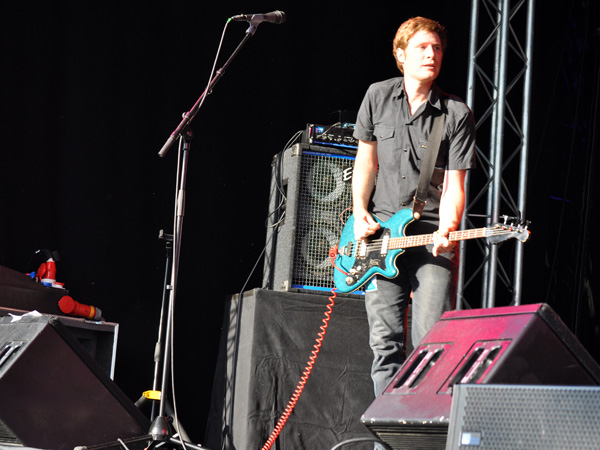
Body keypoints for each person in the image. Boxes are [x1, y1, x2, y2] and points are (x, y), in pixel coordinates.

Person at [352, 16, 476, 403]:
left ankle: (425, 425)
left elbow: (455, 185)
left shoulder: (456, 113)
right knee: (385, 344)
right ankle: (389, 427)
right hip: (381, 238)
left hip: (431, 238)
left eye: (437, 48)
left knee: (431, 344)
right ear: (401, 55)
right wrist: (359, 211)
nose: (431, 54)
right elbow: (365, 162)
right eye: (422, 47)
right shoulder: (377, 96)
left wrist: (449, 228)